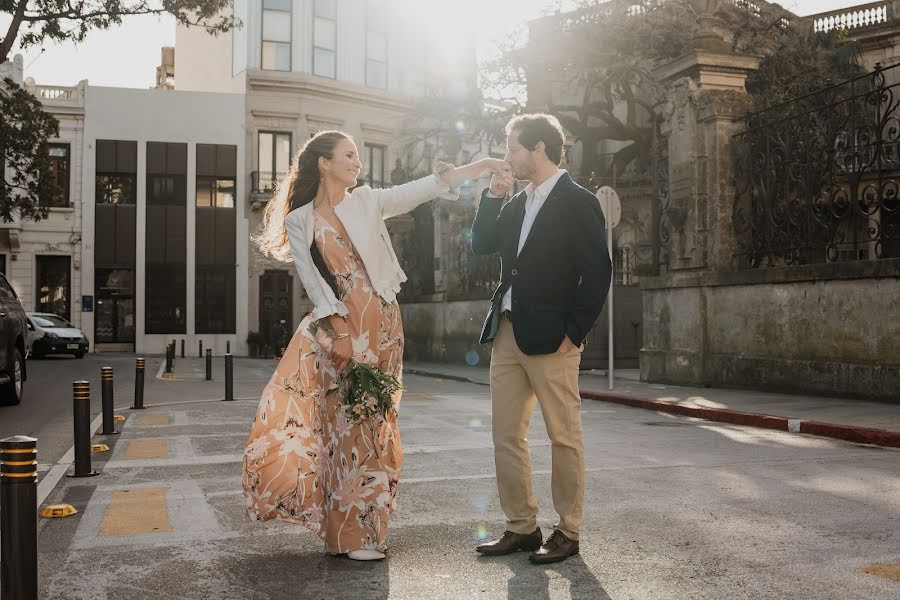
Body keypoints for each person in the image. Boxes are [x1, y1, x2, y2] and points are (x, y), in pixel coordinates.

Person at [242, 130, 505, 561]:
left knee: (375, 424)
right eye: (349, 155)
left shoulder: (367, 201)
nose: (357, 163)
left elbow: (423, 189)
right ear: (324, 163)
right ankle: (350, 536)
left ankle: (360, 532)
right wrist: (338, 331)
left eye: (359, 157)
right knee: (345, 427)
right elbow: (313, 281)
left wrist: (481, 167)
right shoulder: (300, 219)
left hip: (382, 321)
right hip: (340, 326)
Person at [471, 114, 612, 564]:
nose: (507, 158)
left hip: (555, 338)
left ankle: (568, 532)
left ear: (538, 149)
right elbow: (480, 243)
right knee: (506, 436)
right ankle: (522, 527)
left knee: (563, 436)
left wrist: (575, 333)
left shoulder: (578, 201)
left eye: (512, 149)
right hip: (508, 331)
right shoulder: (515, 202)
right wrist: (494, 196)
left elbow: (597, 272)